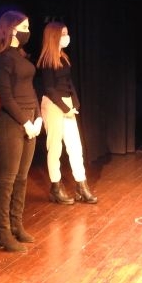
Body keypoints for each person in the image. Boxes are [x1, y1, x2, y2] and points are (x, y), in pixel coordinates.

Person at [0, 10, 42, 252]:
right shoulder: (1, 59)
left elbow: (31, 89)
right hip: (11, 123)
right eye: (24, 27)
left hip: (31, 118)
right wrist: (25, 122)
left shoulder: (21, 56)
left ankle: (16, 225)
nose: (27, 32)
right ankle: (2, 232)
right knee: (8, 179)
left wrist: (38, 117)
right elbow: (7, 98)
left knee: (22, 178)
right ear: (11, 29)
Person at [37, 21, 97, 204]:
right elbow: (50, 89)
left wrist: (75, 104)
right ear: (54, 36)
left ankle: (81, 186)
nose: (66, 37)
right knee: (55, 147)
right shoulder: (47, 61)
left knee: (75, 146)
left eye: (66, 33)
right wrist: (65, 108)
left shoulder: (63, 57)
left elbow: (69, 83)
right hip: (53, 105)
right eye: (63, 34)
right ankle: (56, 188)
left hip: (67, 104)